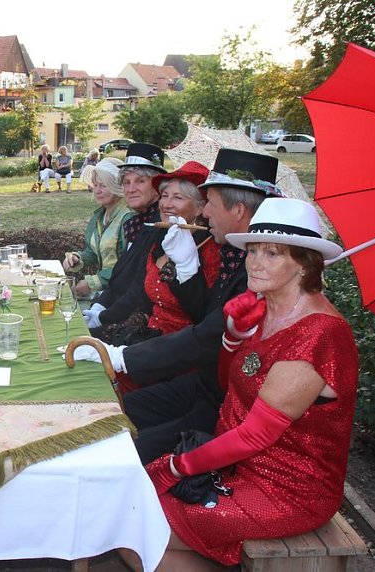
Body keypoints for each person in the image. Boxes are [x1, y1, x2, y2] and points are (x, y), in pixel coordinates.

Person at [132, 198, 356, 570]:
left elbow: (255, 436)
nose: (254, 261)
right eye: (253, 250)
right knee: (136, 526)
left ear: (304, 263)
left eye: (272, 253)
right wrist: (232, 339)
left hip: (287, 487)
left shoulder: (320, 335)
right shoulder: (265, 309)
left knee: (136, 527)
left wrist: (177, 466)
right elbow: (228, 387)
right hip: (234, 464)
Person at [75, 150, 283, 462]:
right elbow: (198, 316)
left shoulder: (251, 268)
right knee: (99, 412)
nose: (207, 212)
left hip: (221, 407)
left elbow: (206, 335)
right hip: (200, 385)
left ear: (238, 210)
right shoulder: (241, 255)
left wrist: (122, 357)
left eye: (209, 202)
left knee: (119, 449)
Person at [95, 161, 219, 349]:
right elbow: (142, 298)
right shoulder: (160, 240)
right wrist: (117, 329)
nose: (167, 205)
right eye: (165, 196)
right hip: (148, 335)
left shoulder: (210, 250)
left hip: (178, 349)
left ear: (200, 207)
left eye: (177, 198)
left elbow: (201, 314)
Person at [82, 143, 168, 343]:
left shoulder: (159, 226)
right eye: (126, 182)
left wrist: (102, 316)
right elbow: (119, 279)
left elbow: (140, 289)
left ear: (157, 186)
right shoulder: (137, 222)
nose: (131, 189)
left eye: (140, 181)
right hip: (114, 310)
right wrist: (98, 306)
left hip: (140, 326)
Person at [62, 157, 131, 297]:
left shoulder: (127, 218)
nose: (98, 190)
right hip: (107, 293)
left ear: (117, 186)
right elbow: (94, 252)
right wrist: (77, 258)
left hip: (124, 294)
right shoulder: (100, 216)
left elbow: (128, 265)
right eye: (96, 185)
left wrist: (93, 283)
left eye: (104, 185)